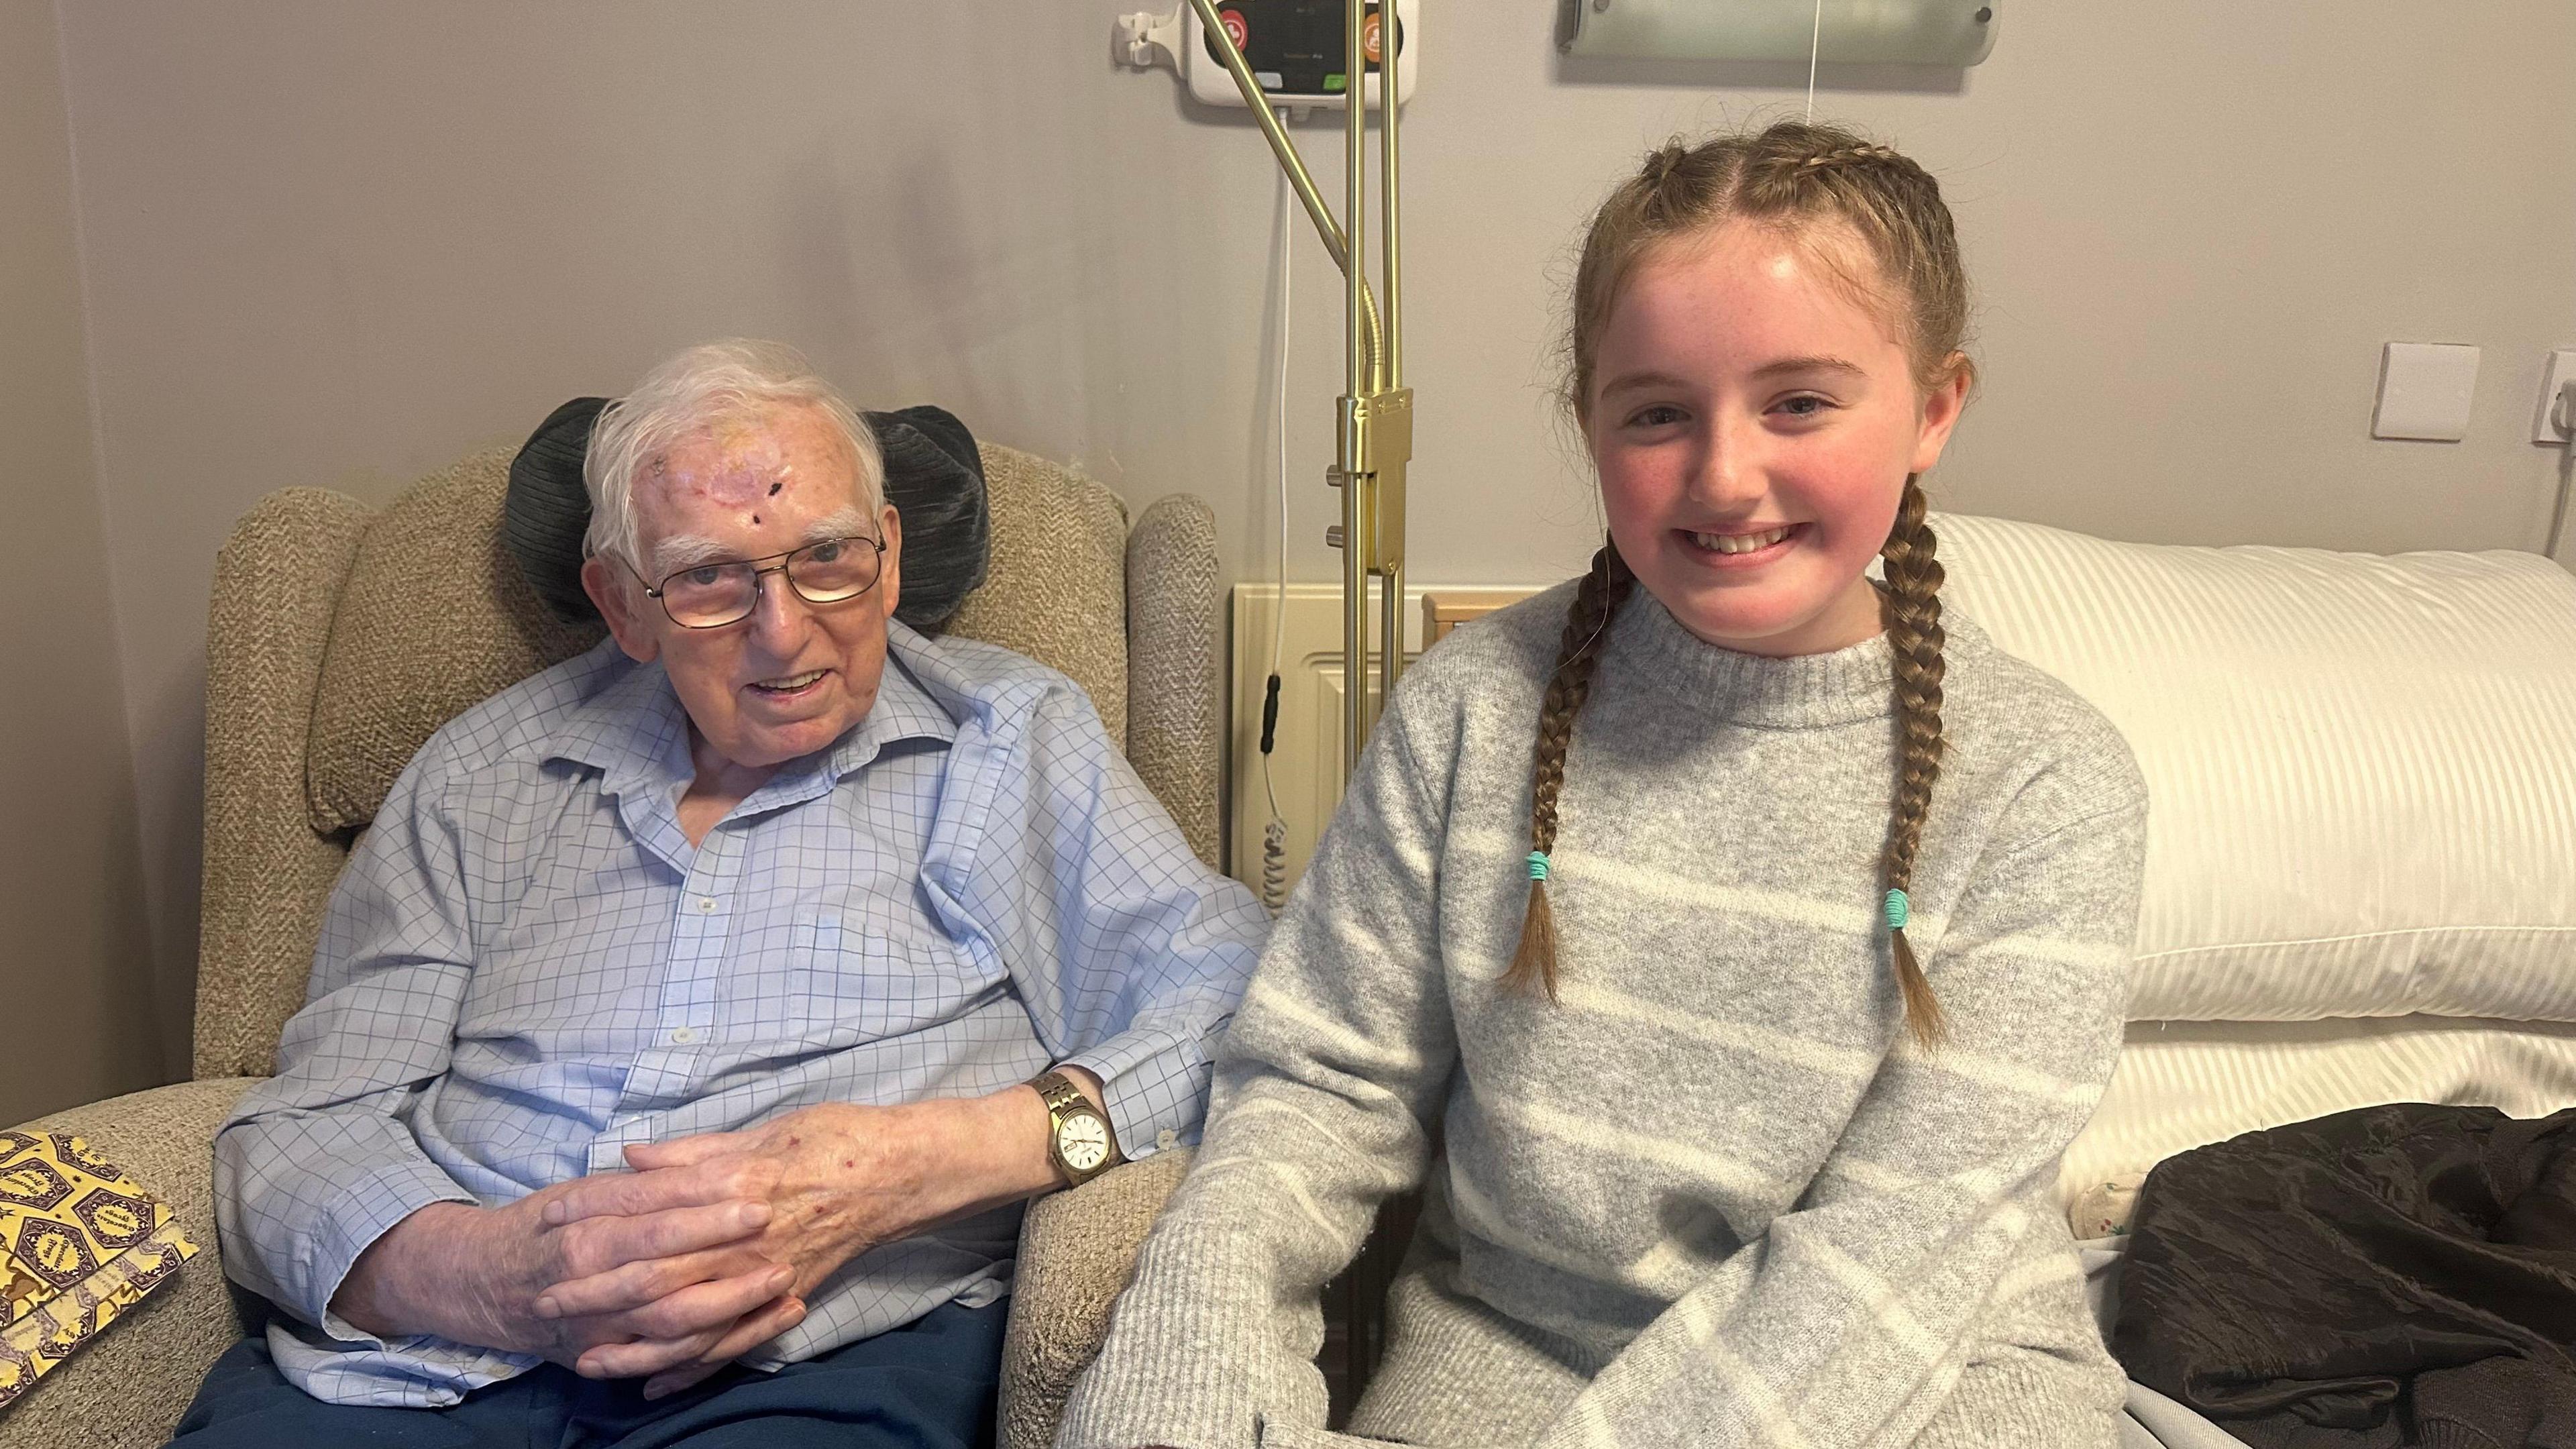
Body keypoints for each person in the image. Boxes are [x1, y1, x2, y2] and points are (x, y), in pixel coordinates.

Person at [1057, 123, 2150, 1448]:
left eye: (1799, 401)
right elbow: (1315, 1091)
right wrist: (1188, 1372)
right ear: (1591, 420)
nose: (1726, 473)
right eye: (1658, 413)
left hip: (1925, 1383)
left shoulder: (2051, 782)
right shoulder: (1470, 713)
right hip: (1509, 1377)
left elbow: (1905, 1241)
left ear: (1932, 408)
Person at [184, 341, 1269, 1448]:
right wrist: (488, 1272)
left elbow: (1244, 1007)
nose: (785, 630)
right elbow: (299, 1126)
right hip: (425, 1372)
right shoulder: (480, 777)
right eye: (709, 578)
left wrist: (916, 1167)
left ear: (890, 554)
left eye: (829, 557)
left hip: (815, 1366)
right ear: (624, 604)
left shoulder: (1007, 743)